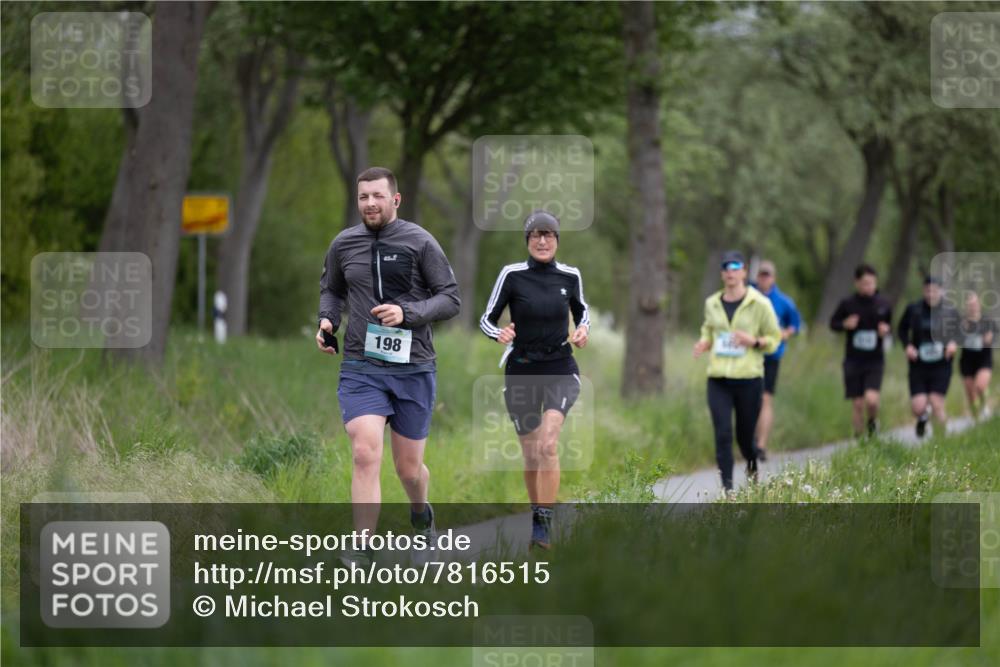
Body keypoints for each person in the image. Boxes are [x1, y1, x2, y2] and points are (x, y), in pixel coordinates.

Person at [317, 167, 461, 565]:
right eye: (363, 197)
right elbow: (331, 289)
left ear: (395, 200)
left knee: (409, 469)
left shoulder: (420, 242)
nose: (370, 204)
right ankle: (362, 548)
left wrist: (407, 311)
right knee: (365, 452)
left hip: (413, 367)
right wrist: (327, 321)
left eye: (378, 196)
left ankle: (421, 513)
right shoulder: (343, 244)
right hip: (361, 364)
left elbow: (450, 298)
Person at [479, 210, 590, 550]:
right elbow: (486, 318)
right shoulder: (512, 275)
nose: (543, 241)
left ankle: (544, 525)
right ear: (527, 241)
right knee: (531, 454)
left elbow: (581, 310)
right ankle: (536, 512)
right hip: (522, 368)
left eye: (549, 235)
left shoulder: (570, 276)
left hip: (560, 367)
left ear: (557, 240)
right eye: (535, 235)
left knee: (549, 444)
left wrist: (584, 328)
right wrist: (500, 333)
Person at [693, 250, 781, 492]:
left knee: (745, 439)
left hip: (749, 379)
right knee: (722, 434)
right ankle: (728, 490)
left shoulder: (760, 303)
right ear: (722, 274)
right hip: (718, 378)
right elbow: (709, 330)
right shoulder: (712, 303)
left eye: (735, 267)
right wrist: (704, 342)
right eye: (726, 267)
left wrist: (753, 341)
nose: (730, 271)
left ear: (744, 272)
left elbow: (774, 338)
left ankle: (752, 466)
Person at [829, 264, 893, 438]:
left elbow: (890, 327)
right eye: (865, 283)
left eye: (872, 283)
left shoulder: (884, 303)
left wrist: (885, 331)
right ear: (857, 283)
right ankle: (859, 442)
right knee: (857, 403)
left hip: (875, 360)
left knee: (872, 400)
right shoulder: (848, 304)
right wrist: (845, 324)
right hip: (853, 360)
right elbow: (833, 324)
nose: (869, 287)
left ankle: (872, 422)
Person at [897, 276, 960, 439]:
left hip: (941, 364)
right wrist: (907, 346)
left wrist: (953, 343)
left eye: (934, 290)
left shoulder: (950, 311)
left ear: (941, 291)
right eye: (927, 290)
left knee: (936, 402)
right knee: (918, 407)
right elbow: (901, 330)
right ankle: (922, 417)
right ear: (923, 291)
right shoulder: (913, 309)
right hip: (918, 364)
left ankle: (942, 444)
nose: (930, 294)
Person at [750, 260, 801, 461]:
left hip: (771, 356)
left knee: (765, 399)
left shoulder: (783, 301)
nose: (764, 278)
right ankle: (750, 439)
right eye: (761, 275)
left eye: (767, 275)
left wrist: (786, 332)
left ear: (773, 278)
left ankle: (761, 445)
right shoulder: (748, 296)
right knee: (750, 400)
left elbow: (795, 325)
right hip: (749, 355)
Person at [958, 291, 995, 420]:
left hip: (983, 358)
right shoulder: (962, 322)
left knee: (980, 386)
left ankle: (985, 405)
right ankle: (976, 419)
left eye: (974, 304)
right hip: (967, 360)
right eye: (969, 304)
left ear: (979, 304)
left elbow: (992, 336)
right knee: (970, 393)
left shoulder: (986, 320)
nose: (972, 306)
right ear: (966, 306)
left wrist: (989, 337)